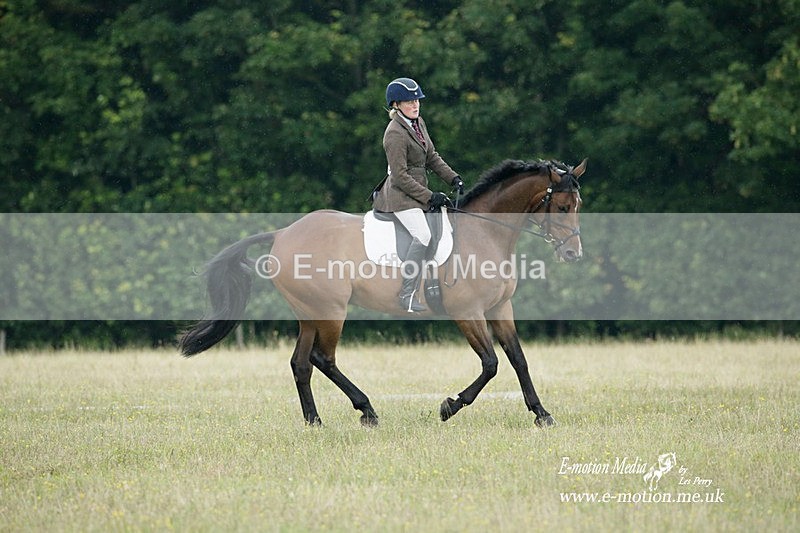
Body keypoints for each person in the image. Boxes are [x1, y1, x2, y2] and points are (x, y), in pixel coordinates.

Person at [372, 77, 464, 313]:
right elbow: (400, 177)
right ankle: (407, 293)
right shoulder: (394, 134)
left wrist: (453, 177)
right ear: (396, 105)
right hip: (400, 196)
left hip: (416, 193)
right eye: (409, 101)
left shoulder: (418, 123)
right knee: (422, 235)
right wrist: (429, 196)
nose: (415, 105)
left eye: (417, 100)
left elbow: (432, 157)